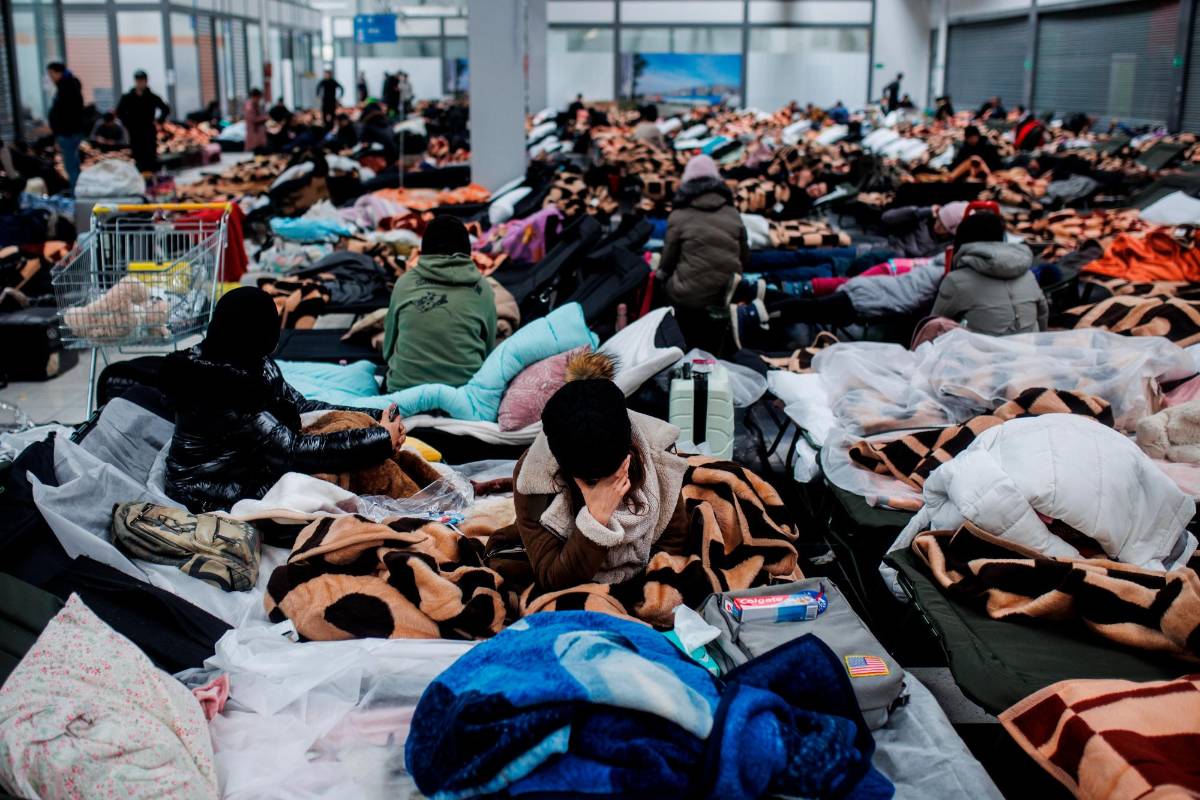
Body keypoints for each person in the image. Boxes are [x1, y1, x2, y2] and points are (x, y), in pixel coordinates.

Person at [162, 287, 407, 513]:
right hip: (210, 490)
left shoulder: (249, 359)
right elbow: (291, 452)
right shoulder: (221, 387)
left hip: (246, 467)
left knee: (351, 450)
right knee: (332, 479)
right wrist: (382, 439)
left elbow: (300, 405)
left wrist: (375, 418)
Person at [510, 376, 690, 590]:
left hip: (641, 581)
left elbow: (673, 542)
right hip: (581, 585)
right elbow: (552, 578)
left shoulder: (657, 452)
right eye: (592, 481)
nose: (606, 485)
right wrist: (595, 519)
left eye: (612, 476)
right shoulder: (533, 480)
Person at [383, 216, 496, 392]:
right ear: (468, 251)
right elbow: (488, 350)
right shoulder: (483, 289)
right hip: (463, 392)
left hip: (404, 392)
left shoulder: (404, 283)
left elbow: (388, 349)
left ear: (423, 250)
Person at [658, 155, 749, 349]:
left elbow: (668, 261)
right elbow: (744, 255)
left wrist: (661, 277)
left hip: (687, 296)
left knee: (670, 290)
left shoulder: (679, 215)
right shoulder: (732, 212)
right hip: (726, 292)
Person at [932, 211, 1046, 335]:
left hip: (983, 353)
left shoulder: (955, 281)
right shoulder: (1028, 275)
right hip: (1029, 350)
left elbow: (932, 327)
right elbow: (1043, 315)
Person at [116, 70, 171, 173]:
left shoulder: (152, 97)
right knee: (138, 157)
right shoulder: (128, 97)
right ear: (135, 82)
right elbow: (119, 112)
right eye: (138, 81)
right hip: (135, 132)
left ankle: (152, 182)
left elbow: (166, 109)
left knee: (150, 157)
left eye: (142, 81)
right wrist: (127, 124)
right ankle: (142, 180)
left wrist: (159, 121)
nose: (140, 83)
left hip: (148, 130)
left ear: (146, 81)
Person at [46, 62, 85, 192]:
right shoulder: (70, 86)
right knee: (74, 164)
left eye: (51, 74)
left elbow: (64, 113)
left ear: (58, 73)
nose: (50, 78)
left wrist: (59, 132)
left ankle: (76, 193)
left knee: (71, 166)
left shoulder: (66, 88)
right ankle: (79, 190)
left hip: (67, 133)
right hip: (72, 131)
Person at [881, 200, 967, 258]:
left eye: (943, 227)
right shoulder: (923, 217)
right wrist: (921, 212)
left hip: (901, 263)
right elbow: (886, 218)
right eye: (939, 220)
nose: (937, 226)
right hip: (887, 245)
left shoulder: (946, 246)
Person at [242, 88, 268, 153]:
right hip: (254, 134)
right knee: (257, 153)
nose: (259, 100)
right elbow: (253, 119)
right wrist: (264, 118)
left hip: (258, 134)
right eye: (258, 98)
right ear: (254, 97)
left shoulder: (256, 105)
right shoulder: (250, 107)